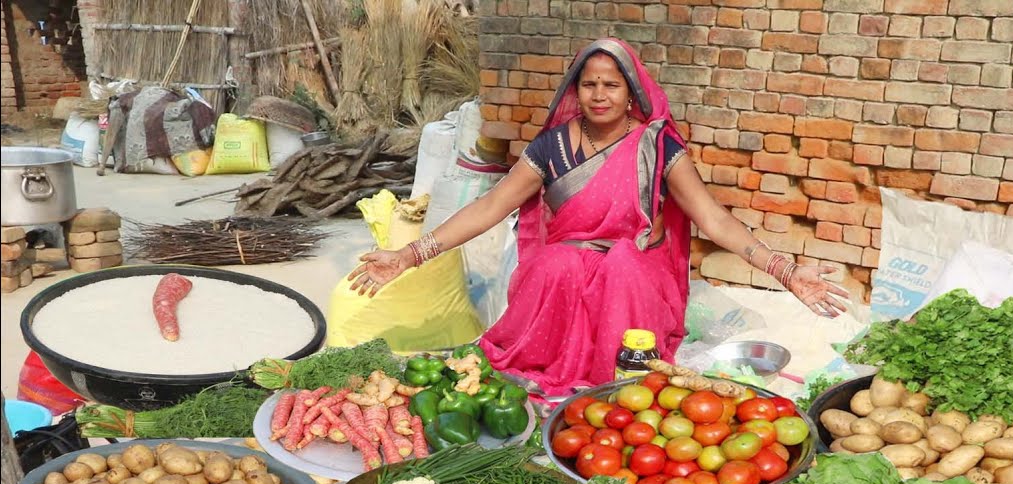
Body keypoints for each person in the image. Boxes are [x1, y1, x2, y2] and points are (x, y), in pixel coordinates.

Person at [348, 38, 849, 396]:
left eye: (612, 84)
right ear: (576, 89)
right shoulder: (551, 145)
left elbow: (714, 220)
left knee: (623, 268)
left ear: (631, 92)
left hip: (634, 267)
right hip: (568, 264)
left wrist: (785, 271)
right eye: (589, 84)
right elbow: (490, 206)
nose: (600, 94)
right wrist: (409, 254)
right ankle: (543, 373)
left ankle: (618, 382)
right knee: (553, 264)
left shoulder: (658, 144)